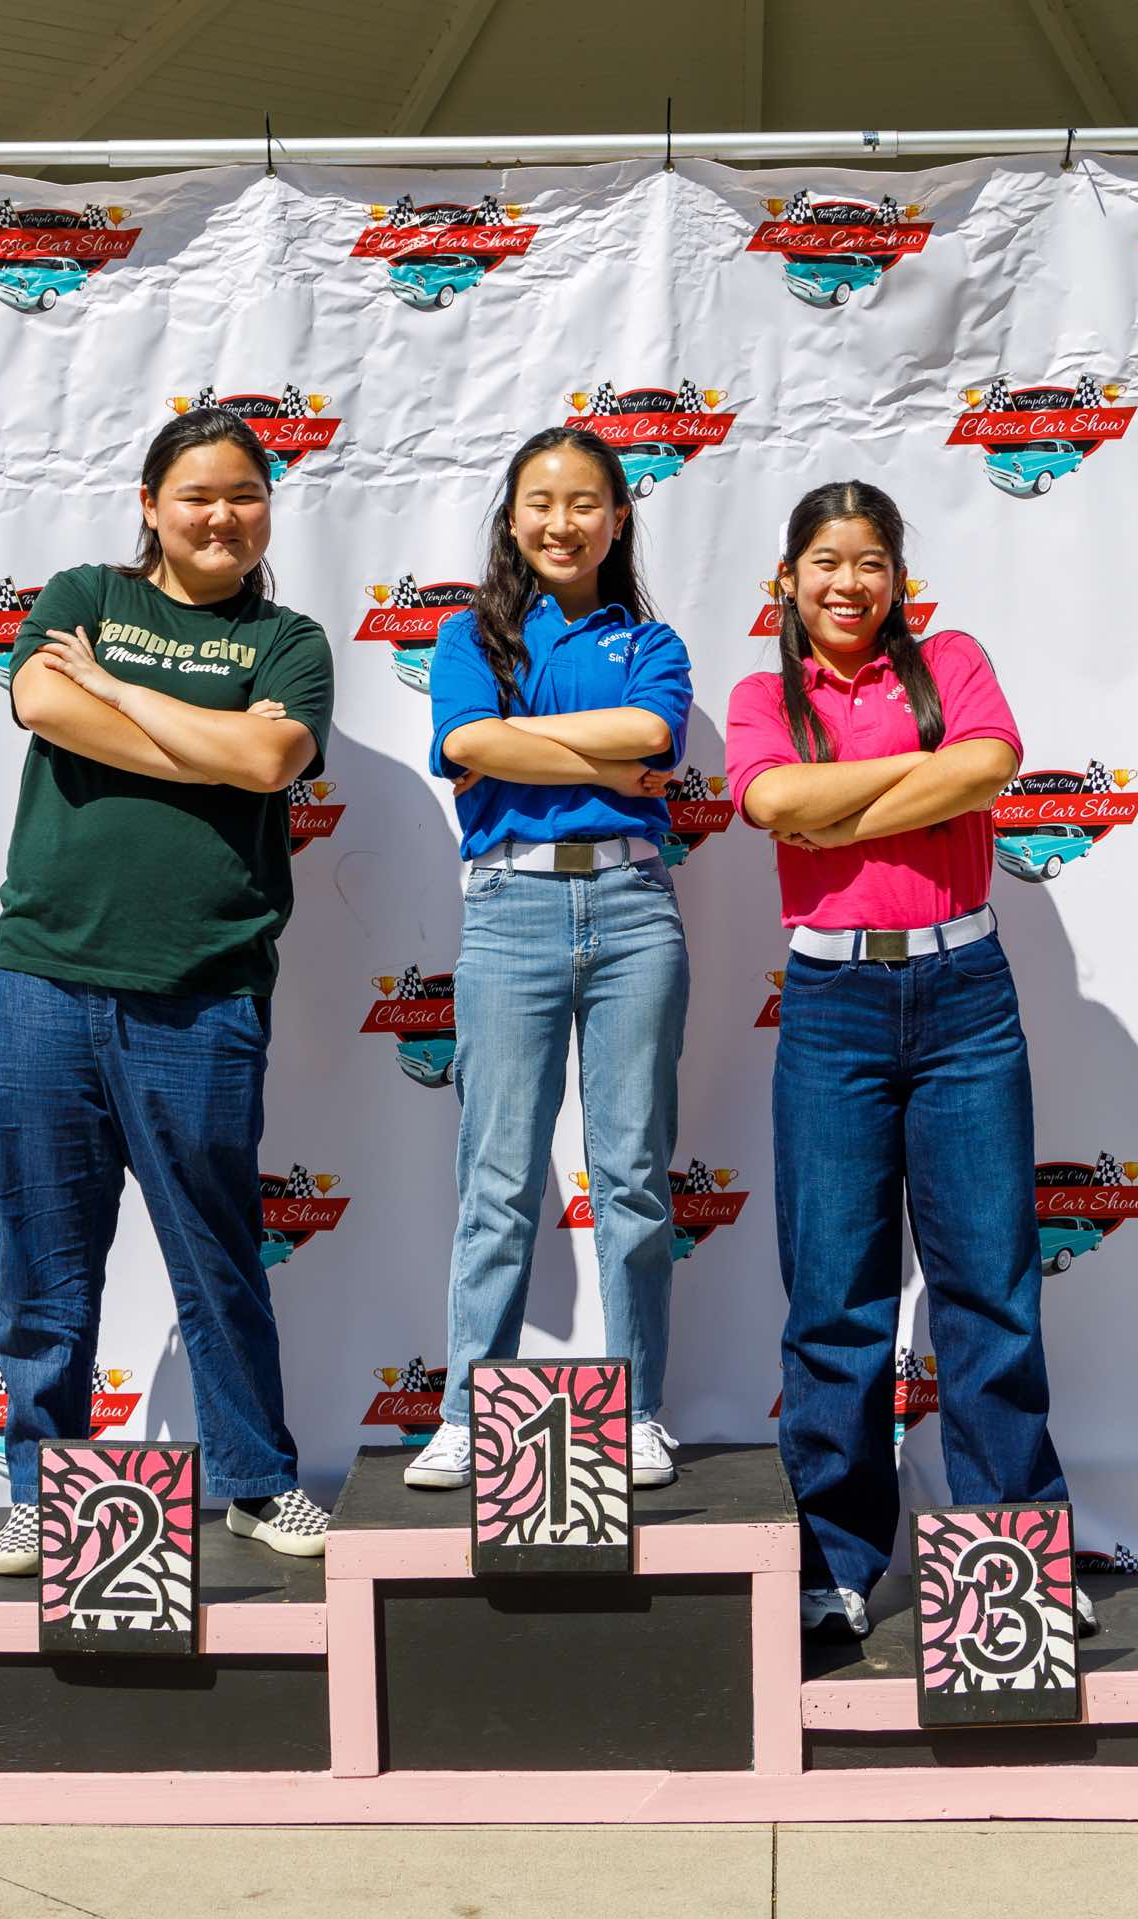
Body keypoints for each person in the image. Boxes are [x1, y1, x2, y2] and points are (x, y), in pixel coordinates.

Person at [725, 479, 1095, 1639]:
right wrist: (907, 781)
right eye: (827, 562)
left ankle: (1013, 1555)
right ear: (789, 578)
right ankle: (835, 1559)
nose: (849, 583)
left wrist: (836, 818)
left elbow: (985, 767)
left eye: (871, 562)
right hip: (831, 1004)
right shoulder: (762, 694)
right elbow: (771, 796)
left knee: (990, 1289)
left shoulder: (953, 662)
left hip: (965, 996)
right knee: (836, 1297)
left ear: (898, 577)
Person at [0, 408, 334, 1574]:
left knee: (216, 1252)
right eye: (197, 494)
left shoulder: (288, 640)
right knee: (45, 1259)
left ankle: (256, 1479)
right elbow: (43, 703)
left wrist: (119, 694)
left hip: (202, 986)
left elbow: (270, 761)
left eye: (245, 493)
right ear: (150, 503)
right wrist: (207, 741)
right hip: (46, 977)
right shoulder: (85, 593)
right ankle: (41, 1484)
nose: (222, 515)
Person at [405, 426, 692, 1492]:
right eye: (540, 501)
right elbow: (467, 744)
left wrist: (537, 745)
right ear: (512, 516)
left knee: (632, 1179)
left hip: (632, 910)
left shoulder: (651, 642)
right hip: (508, 908)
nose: (561, 523)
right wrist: (601, 760)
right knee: (498, 1179)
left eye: (583, 503)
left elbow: (652, 736)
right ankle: (467, 1413)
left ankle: (638, 1412)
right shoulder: (470, 637)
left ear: (618, 517)